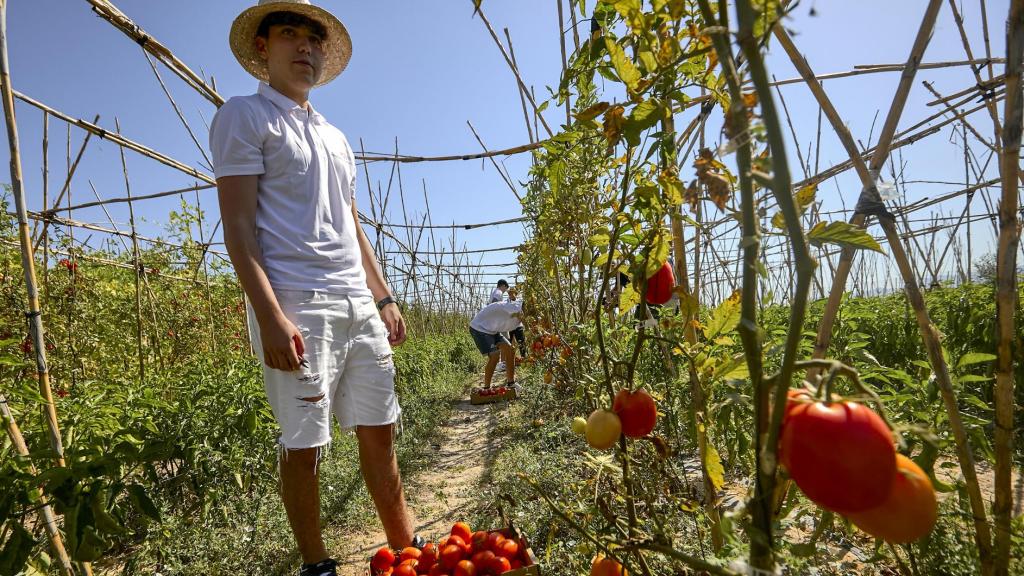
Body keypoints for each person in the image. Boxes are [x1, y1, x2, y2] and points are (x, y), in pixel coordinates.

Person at [210, 2, 419, 574]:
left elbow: (352, 223)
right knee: (305, 445)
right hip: (298, 303)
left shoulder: (334, 136)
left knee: (381, 432)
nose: (304, 47)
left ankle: (408, 551)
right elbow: (237, 228)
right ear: (262, 49)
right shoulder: (245, 116)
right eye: (288, 35)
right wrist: (271, 316)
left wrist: (383, 296)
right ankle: (316, 564)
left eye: (312, 40)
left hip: (357, 302)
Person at [468, 297, 522, 390]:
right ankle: (486, 388)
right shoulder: (515, 308)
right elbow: (502, 307)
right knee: (495, 356)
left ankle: (511, 383)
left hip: (492, 329)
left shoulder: (519, 313)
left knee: (510, 350)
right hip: (480, 328)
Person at [506, 287, 526, 361]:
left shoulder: (520, 302)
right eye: (509, 293)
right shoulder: (506, 302)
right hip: (510, 326)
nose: (510, 294)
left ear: (515, 294)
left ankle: (523, 358)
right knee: (509, 344)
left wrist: (521, 317)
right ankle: (511, 359)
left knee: (521, 343)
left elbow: (523, 313)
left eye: (512, 293)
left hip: (518, 326)